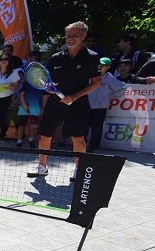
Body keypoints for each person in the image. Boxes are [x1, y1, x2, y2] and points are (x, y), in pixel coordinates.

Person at [31, 21, 101, 180]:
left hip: (79, 104)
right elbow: (50, 81)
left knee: (78, 138)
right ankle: (42, 167)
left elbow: (97, 82)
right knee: (44, 136)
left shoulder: (92, 57)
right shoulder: (56, 58)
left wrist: (75, 96)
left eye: (74, 35)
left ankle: (79, 170)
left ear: (83, 37)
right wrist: (50, 87)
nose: (70, 38)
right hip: (55, 103)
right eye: (68, 35)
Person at [87, 57, 127, 153]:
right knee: (83, 127)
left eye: (102, 65)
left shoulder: (110, 78)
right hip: (86, 106)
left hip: (100, 108)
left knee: (96, 129)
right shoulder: (90, 75)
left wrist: (109, 96)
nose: (99, 67)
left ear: (108, 67)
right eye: (98, 65)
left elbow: (122, 88)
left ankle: (94, 147)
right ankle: (80, 147)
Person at [15, 51, 46, 148]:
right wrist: (24, 105)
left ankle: (31, 140)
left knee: (34, 126)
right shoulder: (27, 83)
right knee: (22, 125)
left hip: (36, 107)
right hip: (24, 107)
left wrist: (43, 108)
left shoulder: (43, 85)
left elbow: (45, 96)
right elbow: (22, 94)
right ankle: (19, 142)